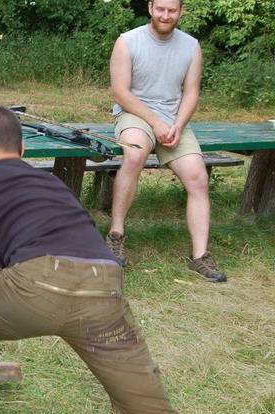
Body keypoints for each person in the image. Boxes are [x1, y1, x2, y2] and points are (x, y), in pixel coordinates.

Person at [0, 105, 184, 414]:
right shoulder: (51, 183)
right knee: (148, 412)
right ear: (22, 149)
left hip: (35, 283)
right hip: (105, 282)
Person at [106, 0, 226, 282]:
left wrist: (177, 126)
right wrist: (156, 123)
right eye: (160, 9)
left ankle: (200, 256)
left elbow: (191, 93)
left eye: (172, 10)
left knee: (198, 177)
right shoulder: (127, 41)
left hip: (174, 119)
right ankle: (115, 235)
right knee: (135, 155)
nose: (165, 15)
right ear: (150, 8)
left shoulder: (191, 46)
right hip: (135, 114)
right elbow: (120, 93)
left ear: (181, 11)